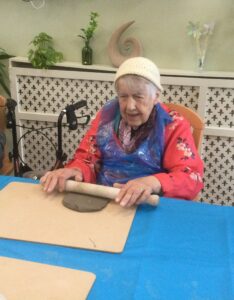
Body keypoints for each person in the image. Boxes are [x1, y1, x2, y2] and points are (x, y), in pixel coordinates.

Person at [41, 57, 204, 207]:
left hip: (148, 205)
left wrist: (152, 182)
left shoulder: (173, 124)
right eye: (123, 96)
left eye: (138, 97)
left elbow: (191, 176)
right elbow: (86, 158)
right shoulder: (106, 117)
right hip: (106, 201)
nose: (129, 106)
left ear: (156, 96)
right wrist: (75, 170)